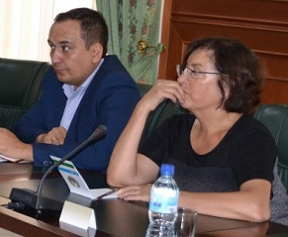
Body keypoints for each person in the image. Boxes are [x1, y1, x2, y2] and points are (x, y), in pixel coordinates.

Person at [107, 37, 277, 222]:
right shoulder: (176, 127)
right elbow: (119, 178)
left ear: (229, 84)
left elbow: (256, 208)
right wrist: (142, 108)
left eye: (194, 72)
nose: (180, 79)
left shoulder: (252, 137)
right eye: (184, 70)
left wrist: (167, 196)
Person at [0, 8, 140, 172]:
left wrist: (26, 151)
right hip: (51, 178)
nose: (55, 58)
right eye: (52, 47)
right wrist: (43, 137)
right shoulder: (55, 78)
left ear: (95, 52)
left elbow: (101, 155)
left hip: (94, 184)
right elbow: (24, 126)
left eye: (65, 48)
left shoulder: (118, 87)